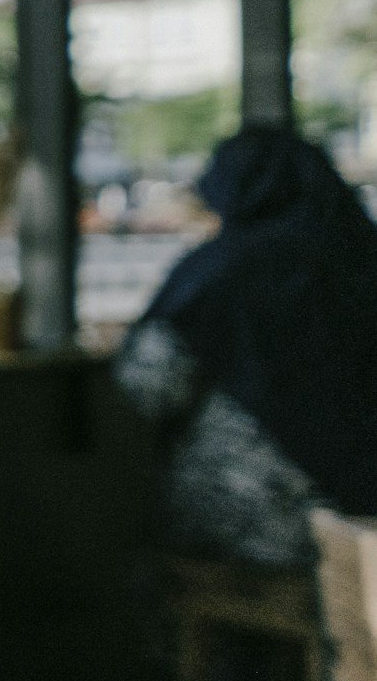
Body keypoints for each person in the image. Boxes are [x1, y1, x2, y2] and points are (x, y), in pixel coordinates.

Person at [116, 126, 377, 570]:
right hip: (364, 517)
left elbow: (146, 389)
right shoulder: (365, 256)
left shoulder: (217, 270)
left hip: (266, 523)